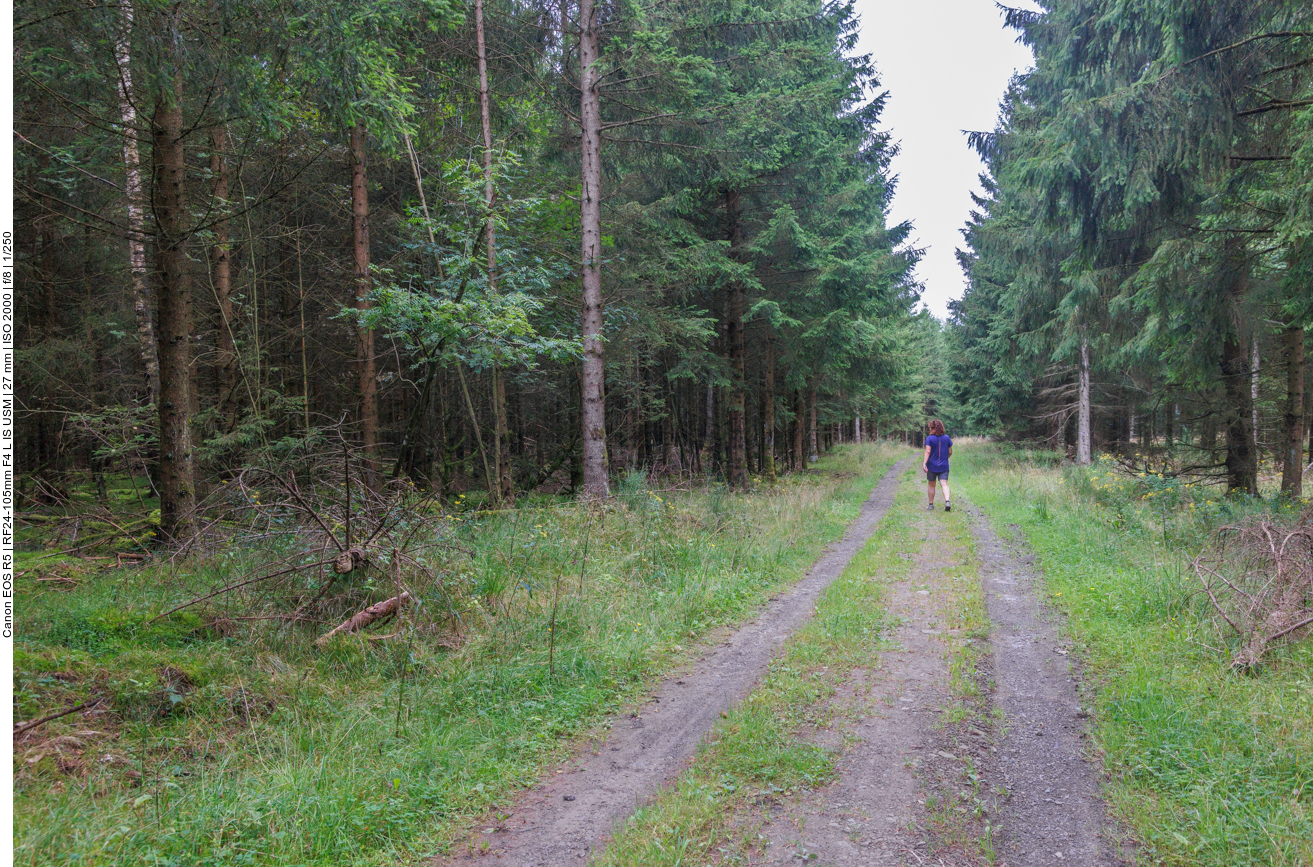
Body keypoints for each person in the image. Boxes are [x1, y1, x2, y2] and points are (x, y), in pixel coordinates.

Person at [923, 419, 952, 512]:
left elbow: (928, 451)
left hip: (932, 465)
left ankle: (931, 504)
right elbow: (950, 452)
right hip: (944, 465)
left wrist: (924, 463)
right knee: (944, 484)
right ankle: (947, 501)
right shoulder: (947, 438)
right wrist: (945, 458)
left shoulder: (929, 438)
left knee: (931, 485)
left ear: (932, 428)